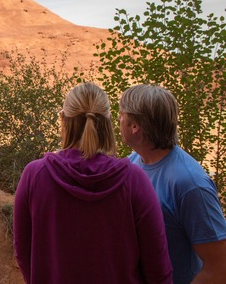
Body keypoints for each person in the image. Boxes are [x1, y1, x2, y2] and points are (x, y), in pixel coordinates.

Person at [13, 82, 172, 284]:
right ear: (107, 121)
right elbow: (157, 265)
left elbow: (23, 253)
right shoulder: (134, 180)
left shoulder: (35, 175)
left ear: (63, 120)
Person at [119, 84, 226, 284]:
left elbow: (220, 268)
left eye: (122, 114)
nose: (119, 119)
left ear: (135, 127)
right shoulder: (133, 162)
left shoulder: (190, 185)